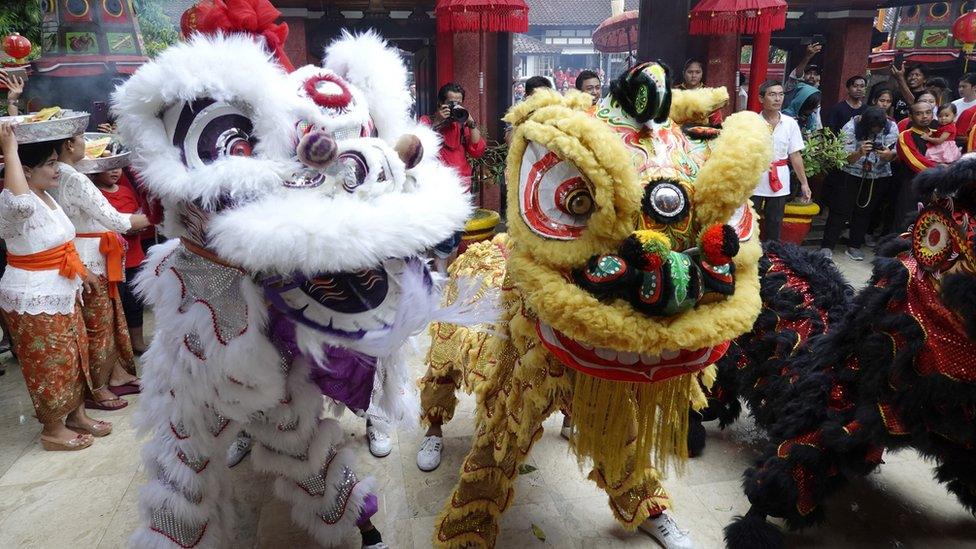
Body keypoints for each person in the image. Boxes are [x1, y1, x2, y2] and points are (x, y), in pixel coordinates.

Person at [0, 124, 108, 451]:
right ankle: (52, 429)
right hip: (32, 296)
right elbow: (20, 204)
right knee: (48, 363)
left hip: (62, 290)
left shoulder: (46, 196)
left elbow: (64, 243)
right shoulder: (13, 204)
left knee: (75, 356)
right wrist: (10, 150)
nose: (57, 168)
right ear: (26, 170)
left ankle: (75, 414)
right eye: (49, 163)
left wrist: (83, 272)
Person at [52, 134, 150, 411]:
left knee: (109, 319)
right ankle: (99, 385)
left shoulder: (65, 173)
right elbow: (116, 220)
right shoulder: (75, 178)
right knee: (98, 324)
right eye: (82, 138)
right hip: (89, 258)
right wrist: (157, 215)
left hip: (91, 253)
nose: (86, 143)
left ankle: (115, 373)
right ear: (69, 145)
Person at [419, 83, 486, 274]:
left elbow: (477, 149)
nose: (455, 106)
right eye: (451, 102)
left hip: (461, 187)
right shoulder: (427, 120)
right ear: (441, 103)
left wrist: (470, 121)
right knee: (442, 236)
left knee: (456, 235)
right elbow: (420, 146)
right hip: (438, 188)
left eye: (459, 102)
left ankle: (448, 277)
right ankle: (439, 279)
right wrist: (439, 121)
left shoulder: (461, 123)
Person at [819, 107, 898, 261]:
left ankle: (854, 246)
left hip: (877, 174)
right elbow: (843, 157)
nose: (875, 132)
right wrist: (859, 152)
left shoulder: (891, 127)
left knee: (865, 211)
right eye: (872, 129)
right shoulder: (851, 127)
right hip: (850, 173)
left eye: (878, 129)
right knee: (840, 210)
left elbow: (894, 154)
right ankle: (827, 246)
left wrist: (888, 155)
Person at [93, 163, 151, 353]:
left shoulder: (126, 190)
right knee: (117, 305)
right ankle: (120, 347)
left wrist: (139, 225)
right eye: (108, 166)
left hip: (135, 257)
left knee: (135, 303)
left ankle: (137, 342)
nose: (114, 170)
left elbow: (138, 213)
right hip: (112, 261)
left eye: (118, 166)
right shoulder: (95, 194)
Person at [751, 80, 812, 242]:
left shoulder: (790, 124)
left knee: (775, 223)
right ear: (761, 98)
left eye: (780, 94)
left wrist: (804, 184)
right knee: (750, 222)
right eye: (772, 94)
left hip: (780, 180)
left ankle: (771, 257)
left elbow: (795, 155)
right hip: (755, 179)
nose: (777, 98)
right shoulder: (751, 123)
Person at [675, 58, 723, 125]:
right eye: (690, 72)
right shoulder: (675, 92)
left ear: (702, 73)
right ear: (683, 73)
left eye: (697, 72)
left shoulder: (710, 94)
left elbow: (717, 121)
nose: (694, 76)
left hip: (702, 132)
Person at [952, 73, 976, 146]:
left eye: (964, 86)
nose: (961, 89)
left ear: (974, 87)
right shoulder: (953, 104)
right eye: (959, 87)